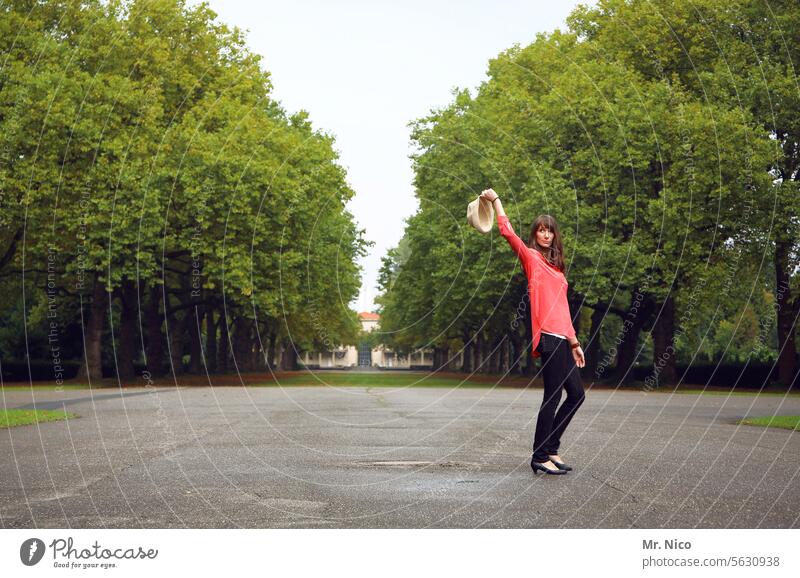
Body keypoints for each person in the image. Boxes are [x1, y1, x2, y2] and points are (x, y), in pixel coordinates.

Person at [480, 188, 586, 476]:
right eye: (540, 231)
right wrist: (497, 200)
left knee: (576, 395)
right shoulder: (532, 259)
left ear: (555, 235)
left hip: (563, 339)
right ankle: (540, 455)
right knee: (552, 397)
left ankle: (551, 449)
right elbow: (507, 232)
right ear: (535, 235)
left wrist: (575, 342)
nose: (545, 235)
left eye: (549, 231)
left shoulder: (558, 269)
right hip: (549, 339)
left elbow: (563, 309)